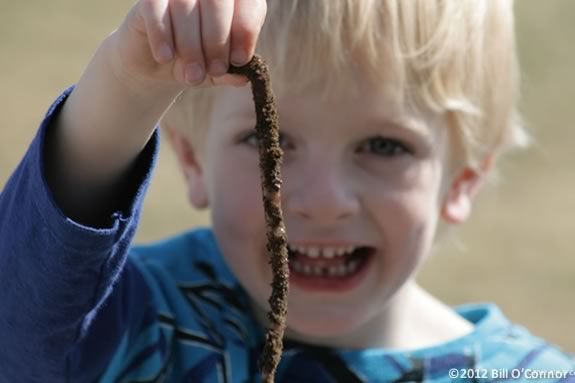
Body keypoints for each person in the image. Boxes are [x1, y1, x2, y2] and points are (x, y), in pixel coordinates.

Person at [0, 0, 573, 381]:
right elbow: (21, 319)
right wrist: (126, 85)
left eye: (384, 146)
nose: (323, 201)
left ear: (463, 179)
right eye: (267, 137)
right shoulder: (142, 323)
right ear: (194, 160)